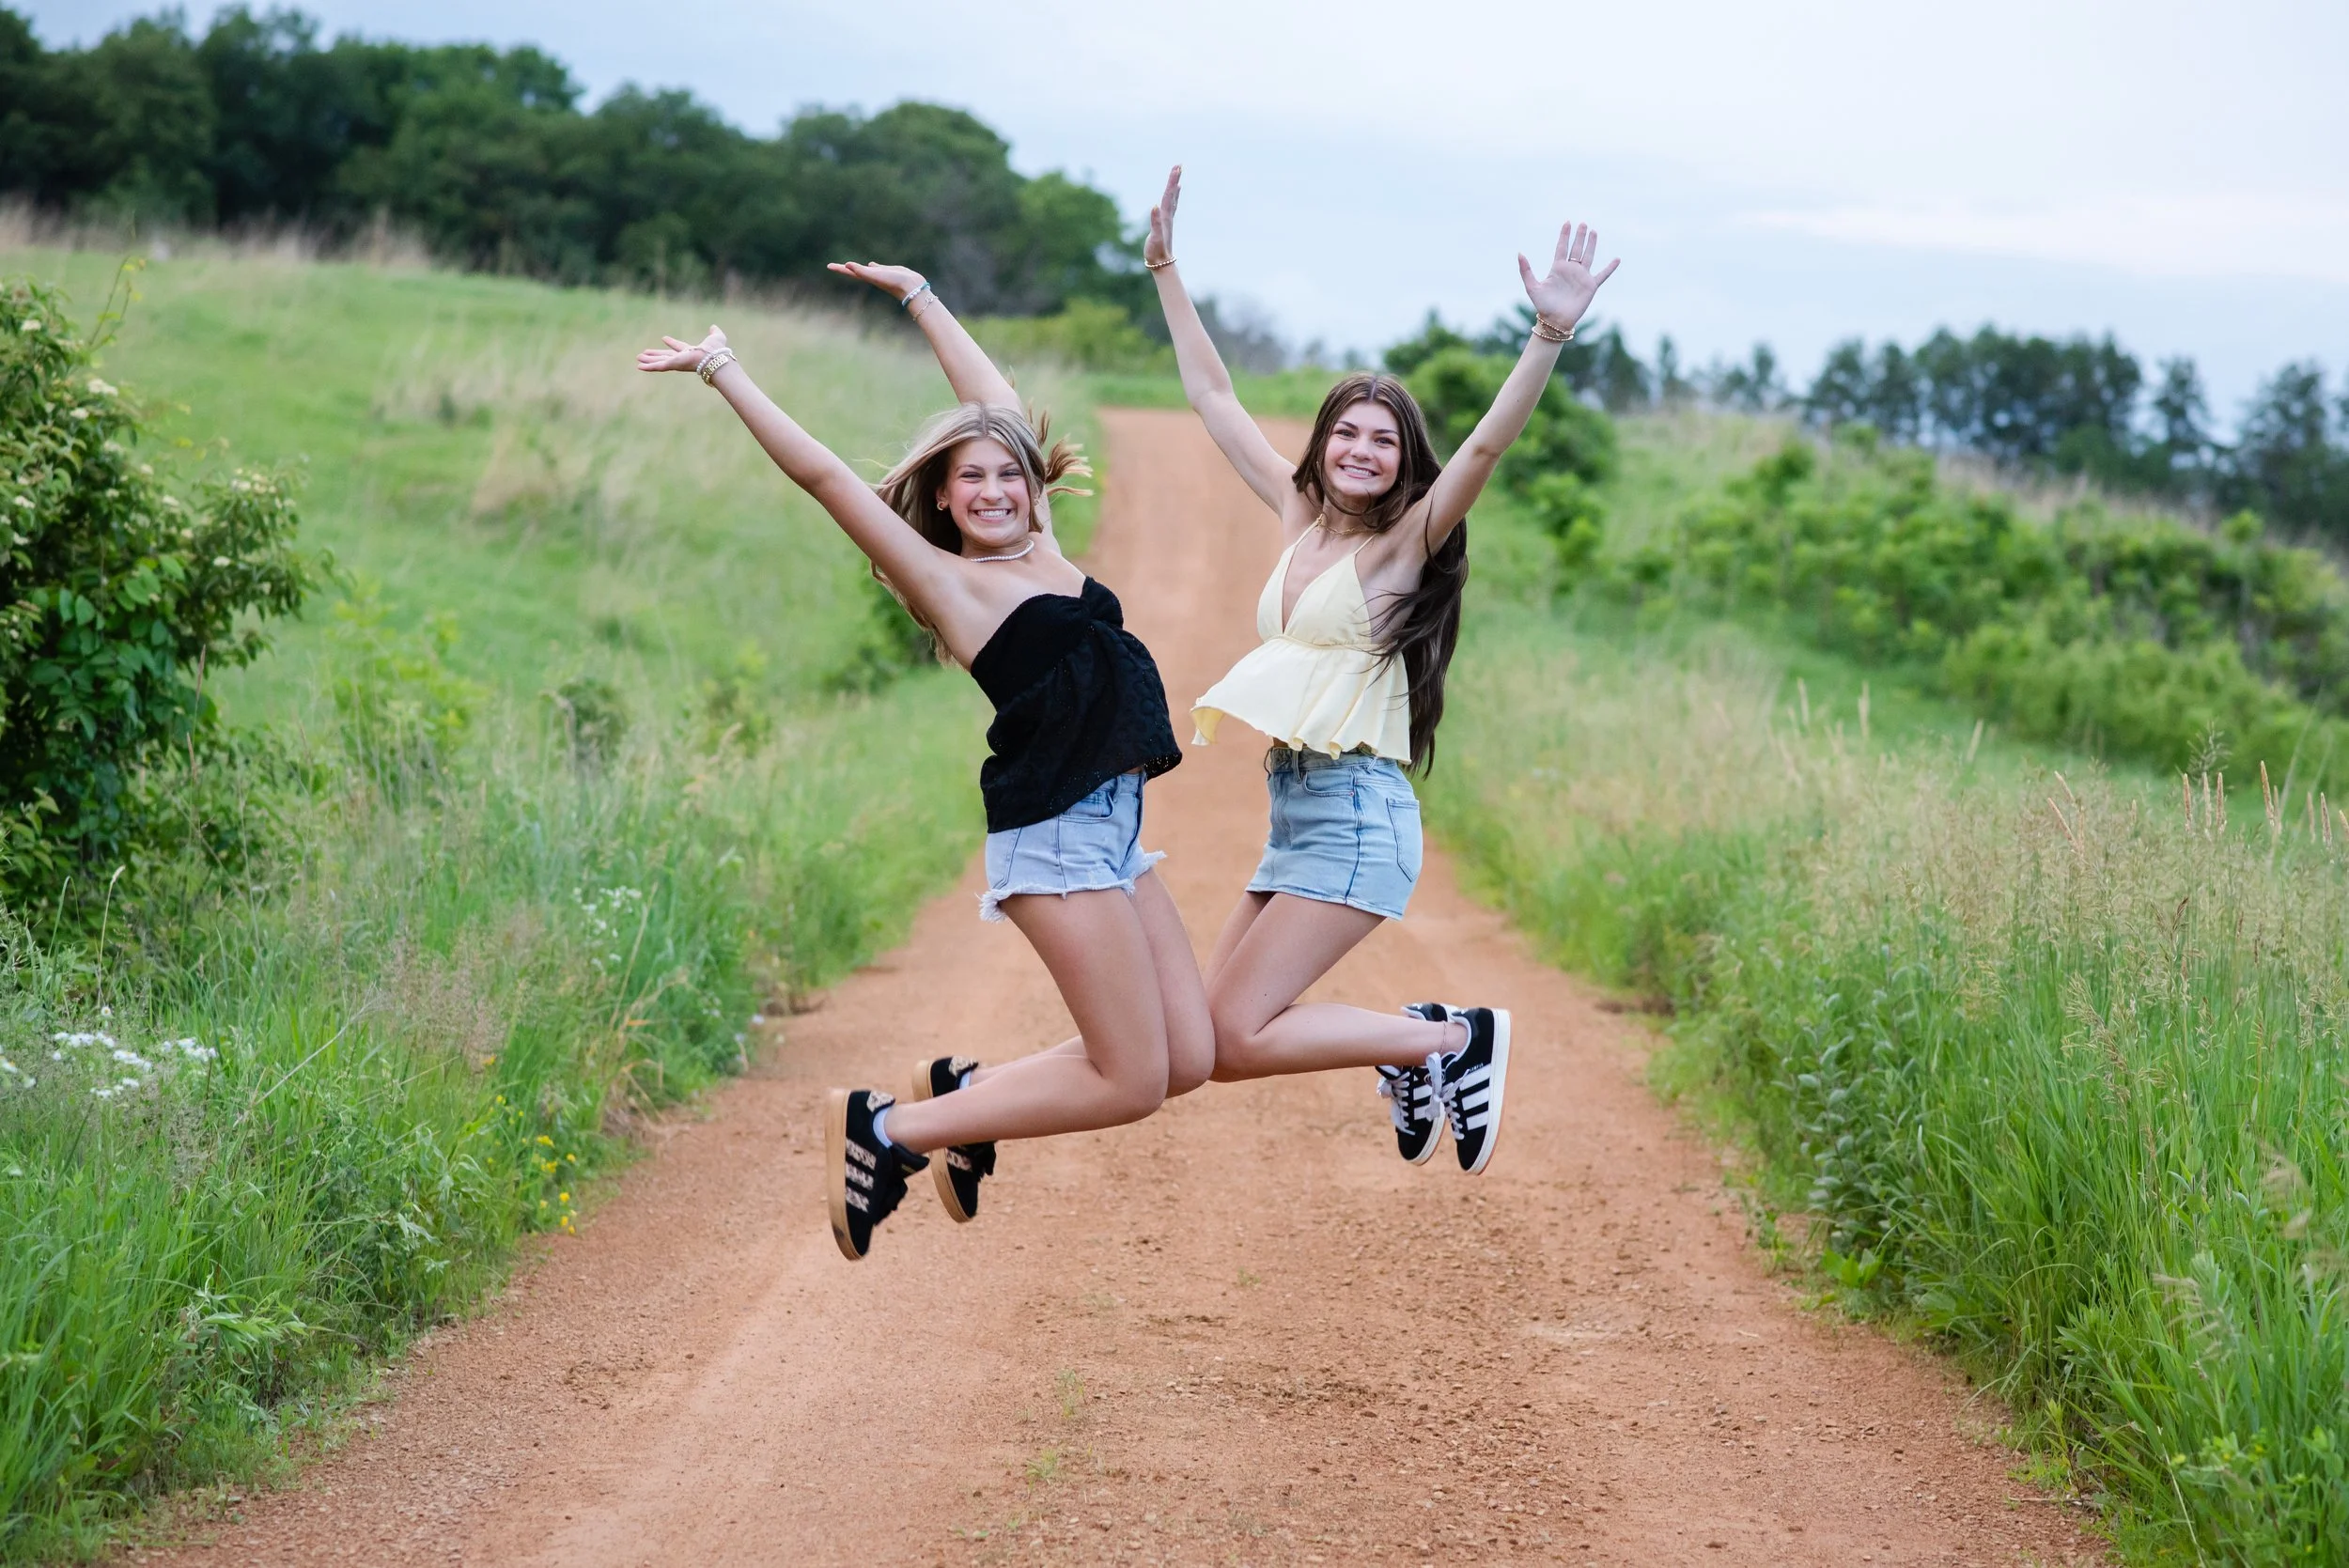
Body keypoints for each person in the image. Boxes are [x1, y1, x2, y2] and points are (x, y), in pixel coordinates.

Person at [637, 290, 1213, 1261]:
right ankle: (888, 1131)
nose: (992, 489)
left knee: (1188, 1056)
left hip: (1115, 827)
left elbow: (997, 403)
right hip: (1057, 831)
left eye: (1006, 474)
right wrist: (722, 369)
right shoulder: (952, 585)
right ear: (941, 500)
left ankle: (965, 1096)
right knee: (1130, 1081)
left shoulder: (1052, 556)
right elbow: (824, 476)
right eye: (969, 481)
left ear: (1031, 485)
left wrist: (921, 300)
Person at [1143, 164, 1618, 1175]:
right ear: (1322, 447)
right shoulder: (1295, 514)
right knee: (1211, 1046)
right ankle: (1424, 1047)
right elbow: (1212, 394)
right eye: (1346, 433)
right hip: (1298, 809)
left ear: (1407, 463)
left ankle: (1447, 1042)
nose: (1362, 450)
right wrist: (1168, 271)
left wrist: (1548, 335)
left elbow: (1486, 446)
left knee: (1231, 1034)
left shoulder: (1403, 544)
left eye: (1383, 440)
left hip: (1358, 812)